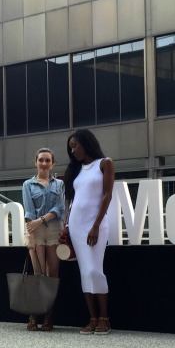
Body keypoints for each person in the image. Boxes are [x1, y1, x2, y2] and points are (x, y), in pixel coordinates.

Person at [64, 129, 115, 335]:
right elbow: (74, 200)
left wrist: (95, 225)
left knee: (95, 270)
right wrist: (67, 225)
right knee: (84, 272)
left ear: (87, 143)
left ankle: (105, 318)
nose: (73, 150)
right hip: (76, 226)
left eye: (75, 145)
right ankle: (92, 318)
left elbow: (107, 195)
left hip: (96, 225)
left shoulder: (105, 163)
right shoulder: (77, 170)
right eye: (71, 147)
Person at [21, 147, 65, 331]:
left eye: (48, 160)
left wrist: (42, 220)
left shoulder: (59, 184)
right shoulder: (28, 185)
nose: (44, 163)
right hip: (35, 232)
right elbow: (29, 211)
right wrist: (31, 235)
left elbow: (60, 208)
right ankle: (33, 316)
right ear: (36, 162)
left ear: (52, 163)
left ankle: (49, 317)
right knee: (38, 275)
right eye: (41, 160)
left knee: (52, 276)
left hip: (54, 231)